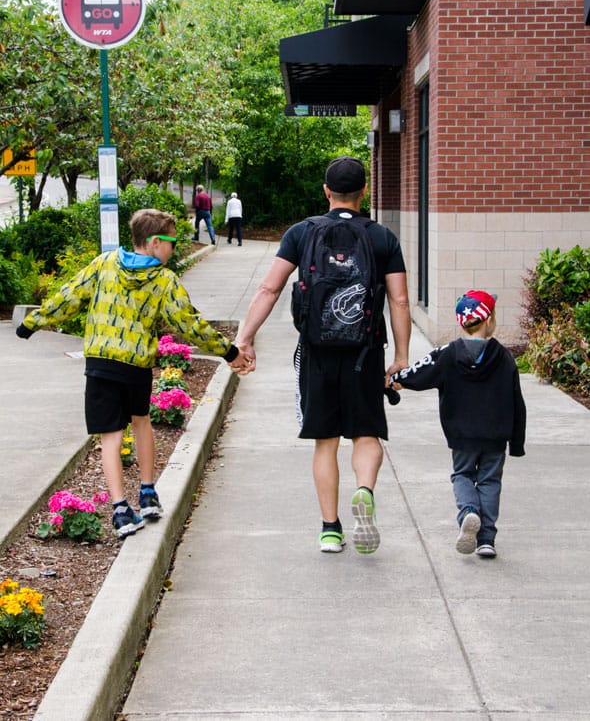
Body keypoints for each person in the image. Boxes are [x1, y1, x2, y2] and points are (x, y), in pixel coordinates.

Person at [16, 209, 250, 539]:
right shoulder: (164, 281)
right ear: (155, 242)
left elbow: (70, 294)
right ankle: (148, 491)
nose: (175, 249)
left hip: (100, 363)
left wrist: (33, 322)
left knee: (109, 436)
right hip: (136, 365)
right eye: (172, 242)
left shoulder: (104, 263)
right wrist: (229, 351)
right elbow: (189, 323)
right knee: (141, 420)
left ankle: (120, 509)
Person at [238, 156, 411, 555]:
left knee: (325, 441)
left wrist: (245, 338)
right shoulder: (383, 237)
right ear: (364, 192)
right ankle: (364, 491)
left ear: (326, 191)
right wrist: (400, 356)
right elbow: (399, 300)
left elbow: (270, 288)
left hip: (316, 351)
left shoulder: (302, 233)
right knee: (366, 434)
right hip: (365, 353)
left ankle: (330, 529)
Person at [390, 290, 526, 558]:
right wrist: (517, 442)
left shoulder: (448, 354)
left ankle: (468, 511)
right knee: (489, 481)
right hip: (495, 437)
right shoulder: (504, 357)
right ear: (488, 321)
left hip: (462, 435)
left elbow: (422, 372)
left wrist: (400, 380)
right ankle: (486, 539)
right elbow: (517, 402)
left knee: (462, 475)